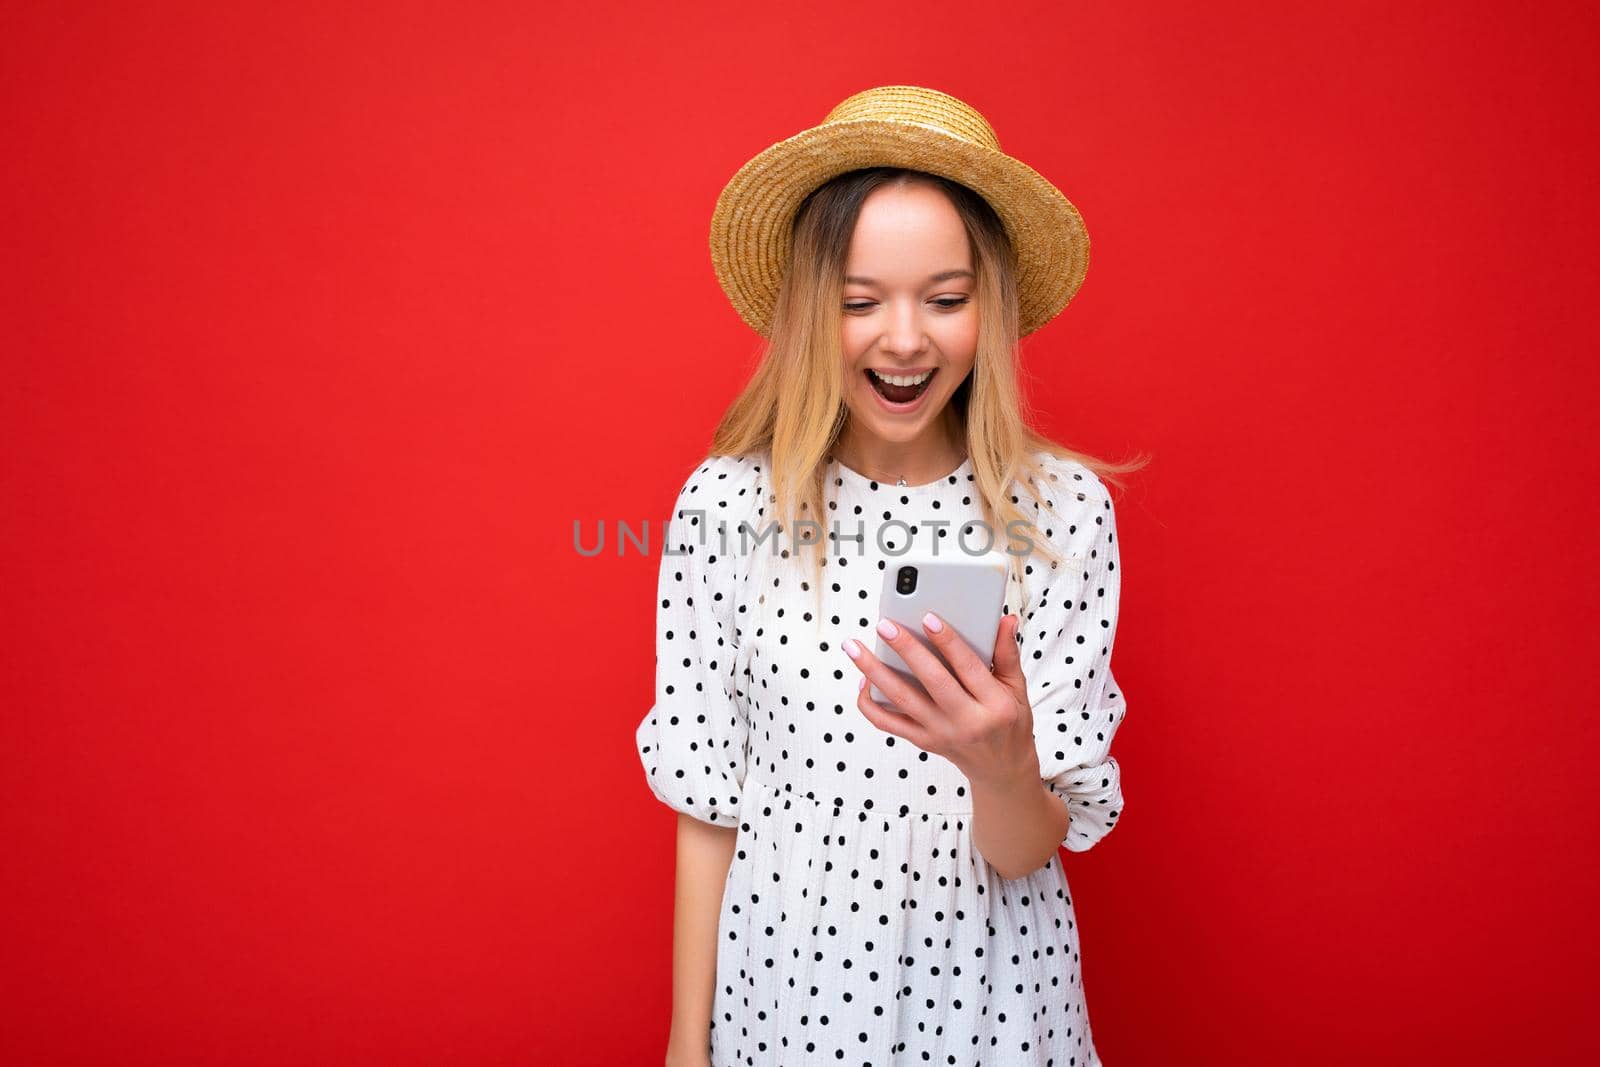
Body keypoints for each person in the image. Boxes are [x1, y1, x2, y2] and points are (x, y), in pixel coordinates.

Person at [635, 85, 1146, 1067]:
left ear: (987, 306)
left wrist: (1000, 761)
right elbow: (707, 801)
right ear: (804, 310)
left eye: (945, 298)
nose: (904, 338)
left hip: (992, 1000)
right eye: (858, 300)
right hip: (784, 995)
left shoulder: (1064, 512)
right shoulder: (726, 504)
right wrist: (683, 1044)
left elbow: (1024, 848)